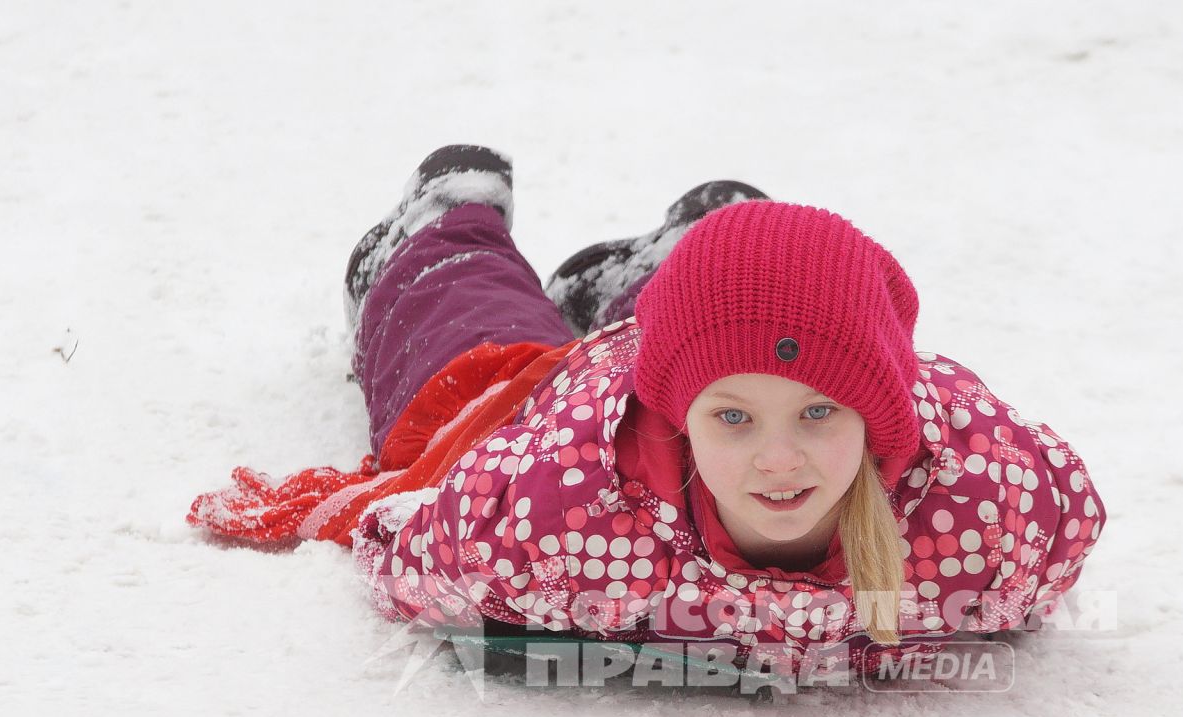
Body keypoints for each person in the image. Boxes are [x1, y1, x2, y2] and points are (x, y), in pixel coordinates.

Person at [191, 143, 1107, 682]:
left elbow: (1066, 533)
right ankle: (443, 224)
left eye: (820, 415)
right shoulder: (557, 504)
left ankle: (682, 257)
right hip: (572, 403)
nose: (778, 460)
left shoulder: (980, 512)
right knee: (470, 365)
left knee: (732, 328)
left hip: (692, 349)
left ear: (881, 421)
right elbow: (410, 559)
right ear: (678, 419)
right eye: (735, 421)